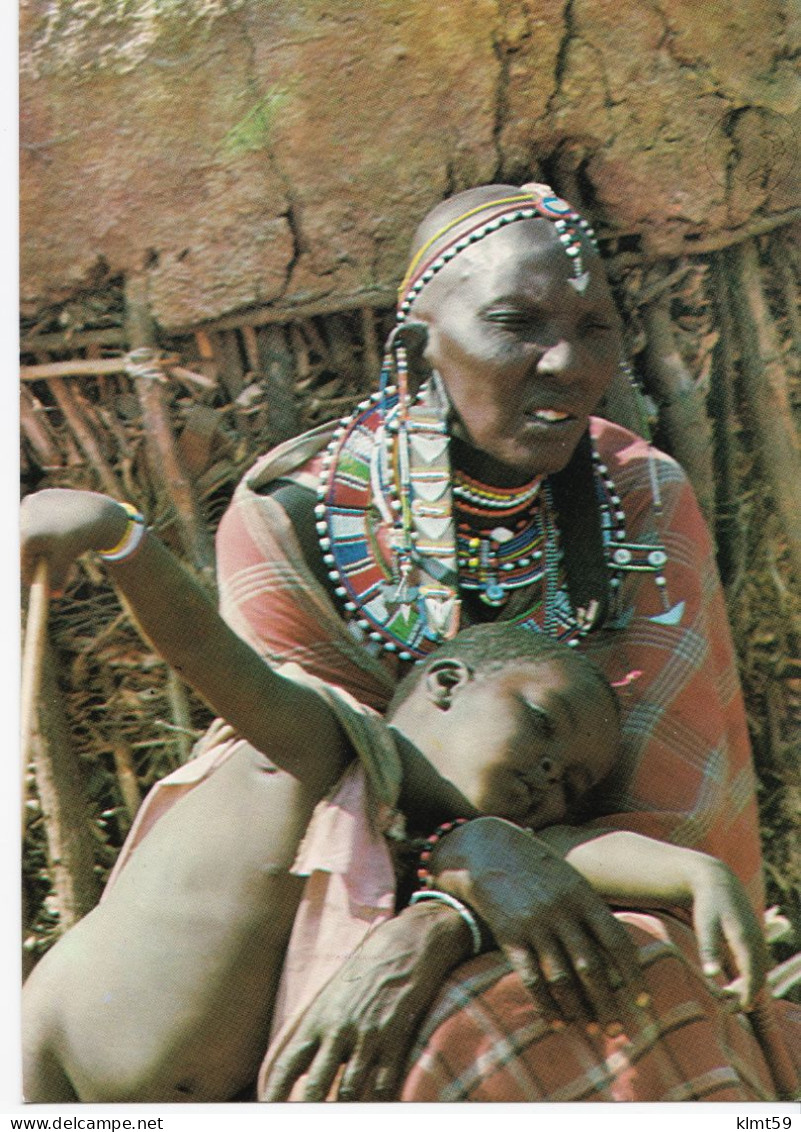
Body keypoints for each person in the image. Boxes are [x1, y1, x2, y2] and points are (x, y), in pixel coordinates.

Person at [21, 181, 800, 1100]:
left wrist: (443, 917)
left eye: (595, 329)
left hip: (576, 893)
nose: (569, 364)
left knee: (606, 985)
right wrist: (462, 860)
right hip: (313, 914)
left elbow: (669, 814)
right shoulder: (294, 520)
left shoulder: (639, 500)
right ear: (415, 351)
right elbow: (318, 772)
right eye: (518, 323)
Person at [20, 590, 764, 1102]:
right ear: (444, 684)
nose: (547, 775)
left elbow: (569, 853)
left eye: (571, 781)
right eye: (542, 724)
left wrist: (697, 875)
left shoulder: (432, 838)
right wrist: (119, 542)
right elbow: (204, 652)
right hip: (51, 1065)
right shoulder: (321, 740)